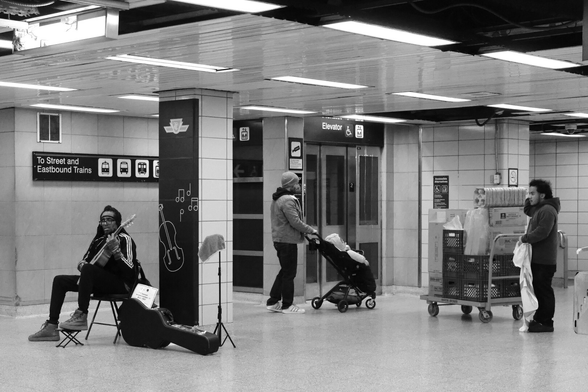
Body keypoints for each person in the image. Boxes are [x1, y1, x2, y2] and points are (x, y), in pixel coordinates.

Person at [29, 205, 137, 341]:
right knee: (59, 280)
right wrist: (82, 266)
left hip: (121, 284)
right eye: (102, 220)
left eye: (109, 219)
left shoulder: (124, 239)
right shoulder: (99, 240)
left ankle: (81, 314)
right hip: (98, 281)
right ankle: (51, 326)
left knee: (88, 270)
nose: (105, 223)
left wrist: (116, 251)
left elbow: (130, 271)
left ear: (118, 222)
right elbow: (84, 261)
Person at [266, 172, 317, 314]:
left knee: (284, 271)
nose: (299, 185)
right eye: (297, 183)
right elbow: (295, 221)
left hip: (280, 240)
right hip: (287, 241)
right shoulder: (287, 200)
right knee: (289, 273)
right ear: (290, 185)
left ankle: (273, 301)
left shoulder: (277, 198)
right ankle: (287, 305)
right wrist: (310, 230)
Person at [519, 179, 560, 333]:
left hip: (545, 259)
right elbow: (527, 210)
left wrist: (525, 238)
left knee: (544, 290)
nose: (529, 196)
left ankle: (546, 322)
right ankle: (540, 318)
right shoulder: (539, 209)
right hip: (537, 258)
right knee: (538, 289)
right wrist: (528, 197)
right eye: (528, 193)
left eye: (532, 193)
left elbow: (543, 232)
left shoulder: (548, 210)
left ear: (542, 195)